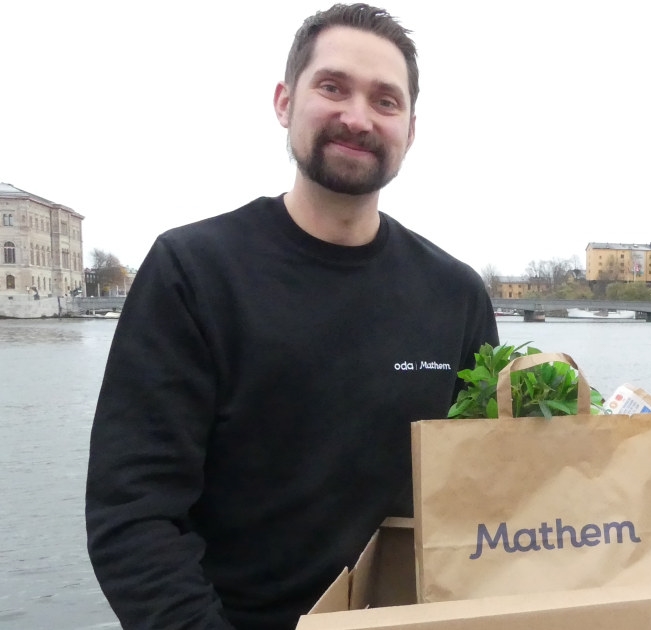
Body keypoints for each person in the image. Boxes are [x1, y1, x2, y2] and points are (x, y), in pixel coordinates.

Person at [85, 5, 498, 629]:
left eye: (385, 100)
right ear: (284, 102)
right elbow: (134, 515)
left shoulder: (457, 294)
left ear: (410, 131)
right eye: (332, 87)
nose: (357, 117)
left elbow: (483, 500)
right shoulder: (192, 272)